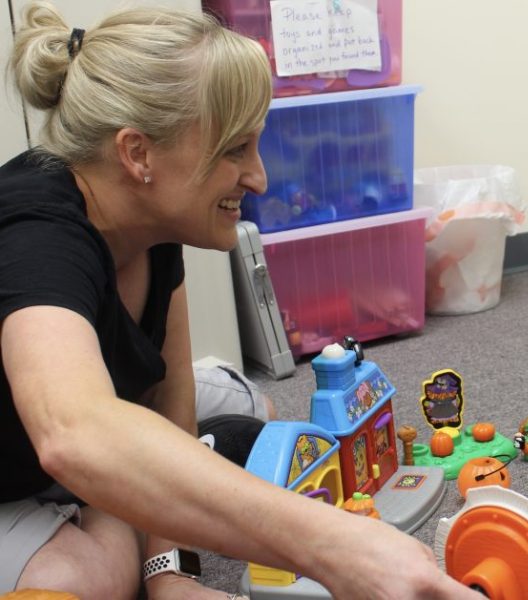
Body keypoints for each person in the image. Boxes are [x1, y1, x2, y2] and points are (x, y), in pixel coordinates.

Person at [0, 3, 482, 599]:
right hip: (16, 463)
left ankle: (129, 477)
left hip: (90, 412)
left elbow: (167, 397)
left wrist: (171, 572)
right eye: (235, 151)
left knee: (256, 410)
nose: (259, 179)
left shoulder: (150, 218)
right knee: (88, 580)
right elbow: (71, 432)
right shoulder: (34, 229)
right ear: (138, 153)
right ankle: (110, 490)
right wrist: (335, 545)